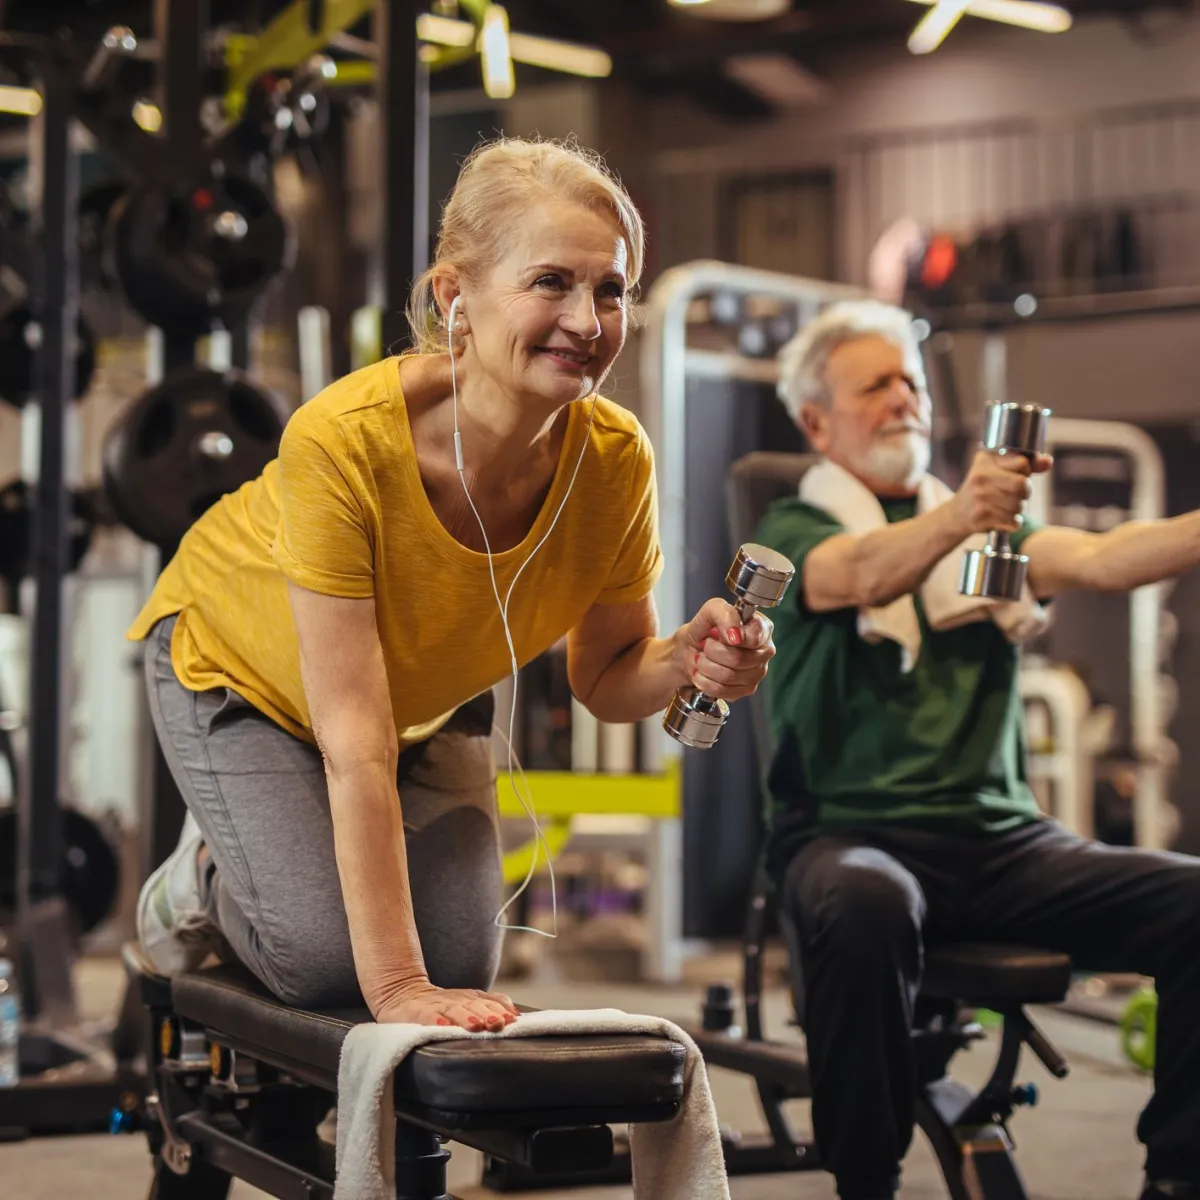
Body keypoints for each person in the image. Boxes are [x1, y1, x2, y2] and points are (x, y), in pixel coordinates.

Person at [130, 136, 776, 1035]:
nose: (589, 322)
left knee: (462, 962)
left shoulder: (615, 460)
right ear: (456, 298)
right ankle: (201, 878)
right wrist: (397, 987)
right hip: (238, 666)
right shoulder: (344, 443)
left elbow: (609, 677)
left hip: (418, 702)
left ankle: (279, 877)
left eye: (610, 288)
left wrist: (687, 661)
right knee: (329, 966)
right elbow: (354, 745)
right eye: (551, 282)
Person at [754, 298, 1200, 1200]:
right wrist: (964, 514)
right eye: (875, 384)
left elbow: (1109, 558)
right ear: (814, 421)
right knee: (868, 900)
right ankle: (865, 1182)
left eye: (911, 382)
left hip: (1003, 847)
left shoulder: (989, 539)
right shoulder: (794, 532)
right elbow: (864, 571)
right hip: (847, 836)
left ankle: (1180, 1179)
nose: (904, 399)